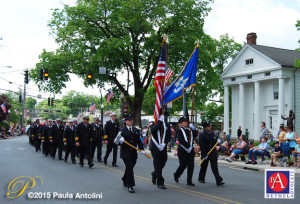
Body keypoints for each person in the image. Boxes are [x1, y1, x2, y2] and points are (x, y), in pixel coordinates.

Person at [117, 114, 145, 193]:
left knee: (130, 167)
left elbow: (138, 141)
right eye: (129, 120)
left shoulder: (136, 130)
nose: (130, 121)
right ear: (125, 121)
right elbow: (116, 141)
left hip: (133, 152)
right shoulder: (122, 131)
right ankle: (130, 185)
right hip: (125, 152)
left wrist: (141, 149)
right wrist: (120, 141)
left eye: (131, 120)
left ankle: (124, 178)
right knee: (129, 168)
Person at [198, 121, 224, 186]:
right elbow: (202, 146)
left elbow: (215, 141)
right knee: (204, 166)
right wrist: (204, 154)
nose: (210, 127)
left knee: (214, 167)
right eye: (208, 126)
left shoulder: (212, 133)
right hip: (206, 153)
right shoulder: (202, 134)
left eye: (210, 126)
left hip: (213, 153)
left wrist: (218, 141)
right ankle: (201, 178)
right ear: (205, 127)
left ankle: (218, 180)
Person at [173, 117, 197, 186]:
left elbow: (196, 135)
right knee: (183, 165)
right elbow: (180, 140)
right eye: (184, 122)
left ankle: (189, 181)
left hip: (190, 150)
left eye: (187, 122)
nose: (186, 123)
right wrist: (188, 146)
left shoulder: (190, 130)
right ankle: (176, 174)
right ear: (181, 123)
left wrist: (193, 128)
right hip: (182, 150)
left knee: (191, 165)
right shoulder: (179, 130)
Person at [149, 115, 171, 189]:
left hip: (163, 146)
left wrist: (165, 143)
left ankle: (155, 173)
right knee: (157, 163)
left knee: (163, 161)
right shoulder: (153, 123)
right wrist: (159, 122)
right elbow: (153, 130)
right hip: (155, 147)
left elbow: (169, 135)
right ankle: (160, 182)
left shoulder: (167, 124)